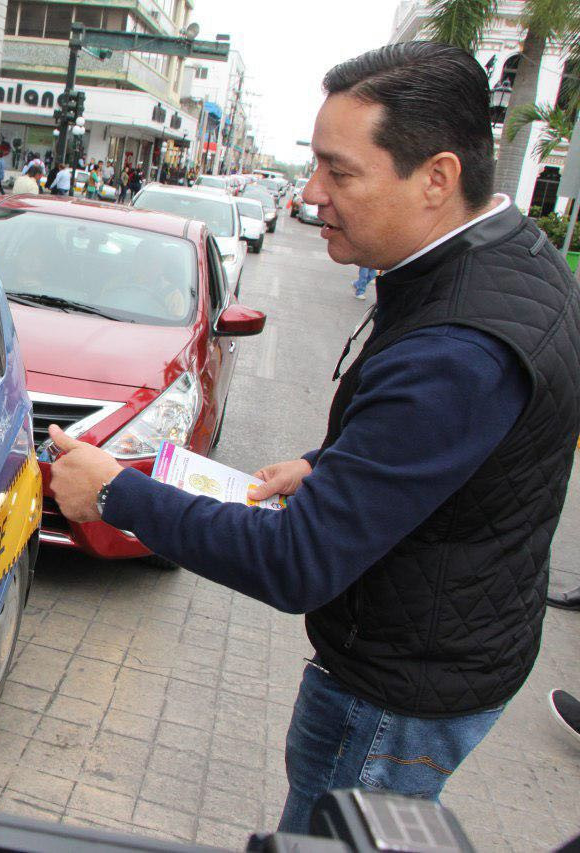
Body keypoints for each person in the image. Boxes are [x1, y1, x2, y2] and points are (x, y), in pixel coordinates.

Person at [45, 42, 580, 833]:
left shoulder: (457, 345)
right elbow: (469, 441)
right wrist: (332, 465)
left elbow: (297, 562)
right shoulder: (512, 260)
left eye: (341, 171)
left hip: (395, 693)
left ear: (437, 177)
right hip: (454, 644)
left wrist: (117, 492)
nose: (311, 193)